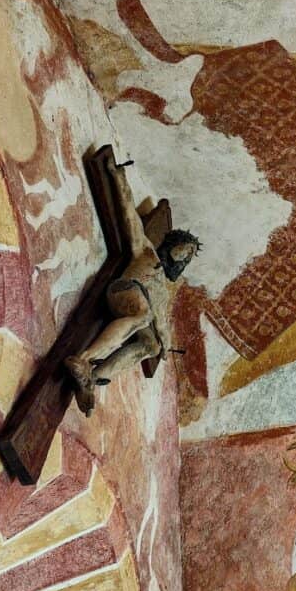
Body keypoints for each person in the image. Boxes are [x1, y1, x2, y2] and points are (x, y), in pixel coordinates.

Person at [65, 152, 200, 413]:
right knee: (144, 315)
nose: (185, 257)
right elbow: (130, 217)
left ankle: (93, 378)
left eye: (188, 257)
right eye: (184, 249)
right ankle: (84, 359)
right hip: (124, 290)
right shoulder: (148, 253)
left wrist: (164, 345)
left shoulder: (164, 291)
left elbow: (161, 323)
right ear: (171, 245)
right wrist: (119, 176)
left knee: (151, 345)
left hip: (140, 310)